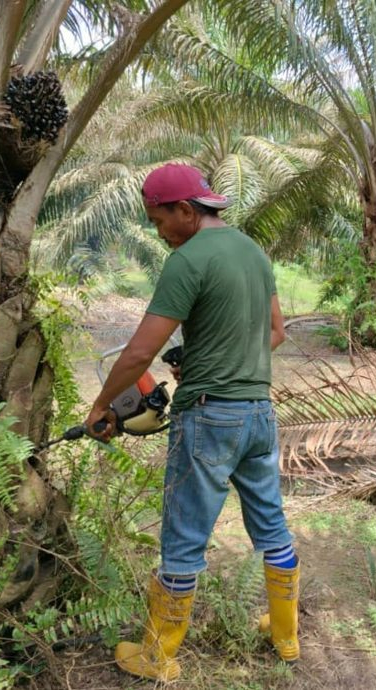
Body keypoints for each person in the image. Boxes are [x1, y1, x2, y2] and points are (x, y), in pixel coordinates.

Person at [85, 163, 298, 682]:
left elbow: (139, 353)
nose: (160, 234)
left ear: (185, 210)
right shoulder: (253, 251)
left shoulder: (188, 260)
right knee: (270, 523)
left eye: (159, 221)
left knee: (183, 537)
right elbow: (275, 334)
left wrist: (99, 406)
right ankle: (286, 637)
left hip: (209, 417)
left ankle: (159, 656)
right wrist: (209, 356)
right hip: (259, 415)